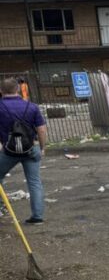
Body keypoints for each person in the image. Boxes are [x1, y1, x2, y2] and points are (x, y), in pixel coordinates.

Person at [0, 77, 47, 224]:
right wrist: (42, 147)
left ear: (1, 91)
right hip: (30, 149)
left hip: (9, 150)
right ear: (18, 89)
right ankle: (37, 216)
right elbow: (42, 129)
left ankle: (1, 207)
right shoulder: (31, 107)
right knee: (34, 182)